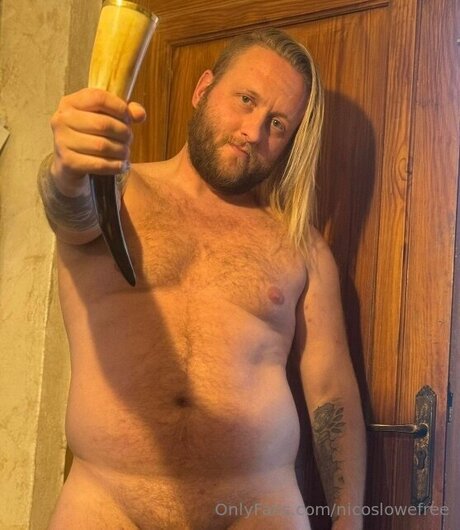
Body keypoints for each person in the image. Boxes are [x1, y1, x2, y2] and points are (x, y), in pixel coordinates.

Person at [38, 28, 366, 530]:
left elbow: (330, 394)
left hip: (258, 510)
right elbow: (69, 209)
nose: (253, 132)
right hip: (106, 504)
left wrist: (348, 523)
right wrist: (67, 168)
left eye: (277, 123)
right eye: (246, 100)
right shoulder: (112, 193)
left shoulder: (302, 249)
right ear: (203, 89)